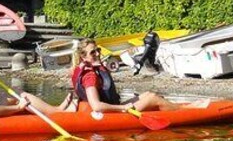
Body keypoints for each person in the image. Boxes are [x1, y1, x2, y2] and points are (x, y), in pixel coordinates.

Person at [71, 38, 207, 113]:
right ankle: (187, 110)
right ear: (83, 56)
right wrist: (123, 108)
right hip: (112, 113)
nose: (97, 54)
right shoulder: (90, 76)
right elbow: (97, 106)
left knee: (149, 94)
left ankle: (182, 107)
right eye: (92, 53)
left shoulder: (87, 69)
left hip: (113, 108)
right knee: (153, 99)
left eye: (98, 50)